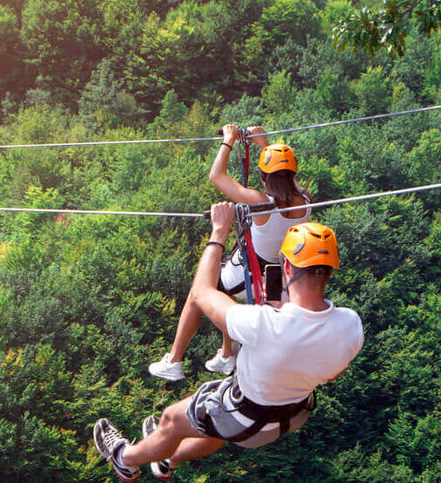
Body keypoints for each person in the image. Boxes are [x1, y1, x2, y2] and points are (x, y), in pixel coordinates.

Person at [95, 203, 363, 481]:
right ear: (330, 271)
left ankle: (124, 459)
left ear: (286, 265)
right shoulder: (350, 325)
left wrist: (219, 230)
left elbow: (201, 292)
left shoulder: (263, 323)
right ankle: (168, 459)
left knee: (172, 420)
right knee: (214, 426)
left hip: (244, 416)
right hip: (288, 418)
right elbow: (332, 373)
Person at [149, 124, 313, 381]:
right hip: (277, 274)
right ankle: (227, 355)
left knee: (198, 292)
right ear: (293, 173)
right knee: (227, 293)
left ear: (263, 176)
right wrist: (264, 144)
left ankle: (174, 360)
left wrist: (228, 140)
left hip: (253, 270)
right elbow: (287, 178)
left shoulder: (260, 203)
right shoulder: (306, 201)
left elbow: (216, 176)